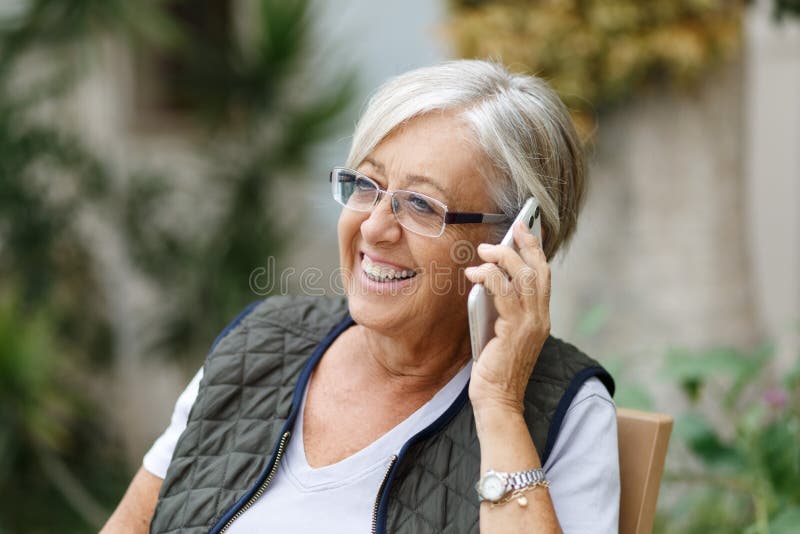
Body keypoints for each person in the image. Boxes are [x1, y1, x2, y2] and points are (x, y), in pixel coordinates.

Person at [102, 60, 619, 534]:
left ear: (517, 244)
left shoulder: (565, 408)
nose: (374, 228)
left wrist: (501, 406)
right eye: (366, 185)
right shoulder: (261, 340)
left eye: (420, 204)